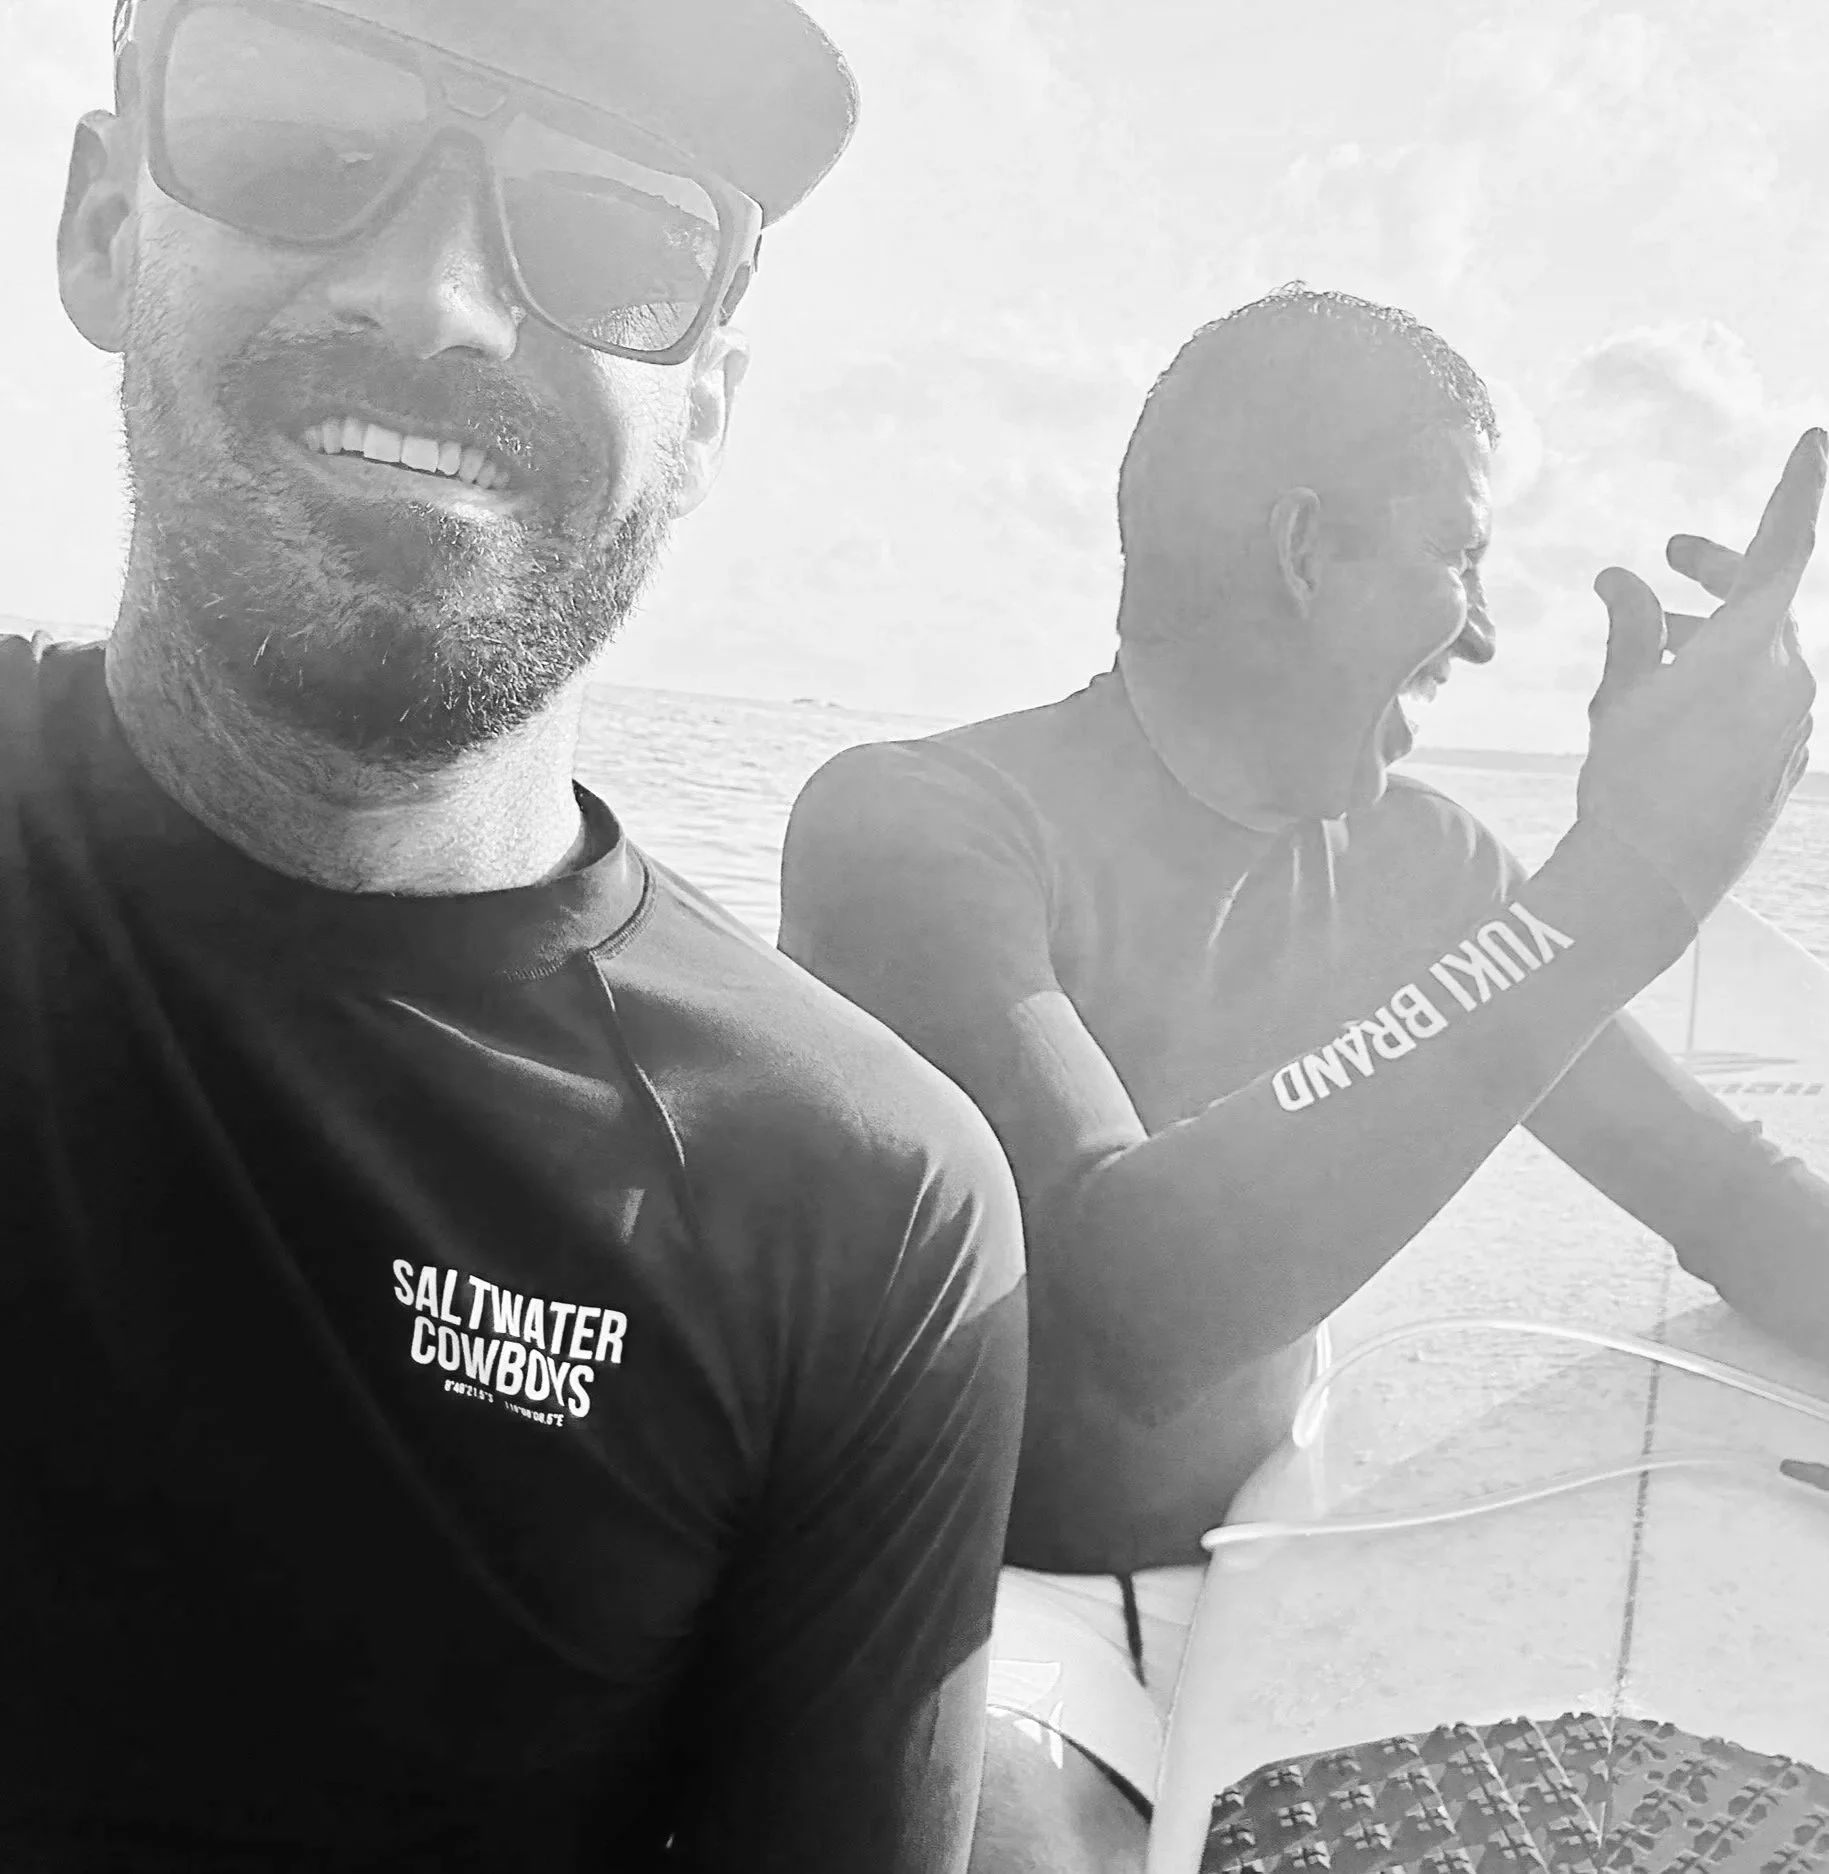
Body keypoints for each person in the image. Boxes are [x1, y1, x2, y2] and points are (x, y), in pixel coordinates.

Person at [1, 1, 1028, 1867]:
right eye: (304, 140)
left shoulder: (855, 1209)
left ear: (705, 407)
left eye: (613, 236)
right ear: (99, 218)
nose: (437, 304)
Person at [776, 285, 1829, 1871]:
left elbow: (1719, 1192)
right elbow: (1130, 1296)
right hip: (978, 1602)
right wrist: (1621, 887)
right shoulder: (913, 826)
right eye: (1459, 555)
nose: (1485, 628)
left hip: (1286, 1555)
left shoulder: (1419, 860)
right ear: (1305, 553)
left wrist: (1590, 905)